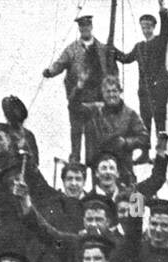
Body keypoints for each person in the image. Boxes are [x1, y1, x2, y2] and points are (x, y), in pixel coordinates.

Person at [43, 14, 107, 162]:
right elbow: (60, 63)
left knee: (94, 137)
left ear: (91, 27)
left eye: (87, 26)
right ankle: (75, 163)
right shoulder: (72, 49)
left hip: (96, 101)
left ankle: (94, 166)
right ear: (79, 29)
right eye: (82, 27)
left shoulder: (102, 49)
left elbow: (110, 69)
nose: (85, 29)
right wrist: (50, 71)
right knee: (76, 133)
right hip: (77, 98)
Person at [115, 3, 168, 155]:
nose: (146, 30)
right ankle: (145, 154)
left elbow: (167, 29)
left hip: (160, 89)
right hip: (145, 91)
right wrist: (112, 50)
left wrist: (162, 11)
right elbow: (125, 58)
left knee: (160, 122)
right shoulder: (139, 47)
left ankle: (161, 153)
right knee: (145, 122)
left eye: (148, 27)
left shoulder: (160, 41)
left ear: (153, 27)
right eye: (143, 27)